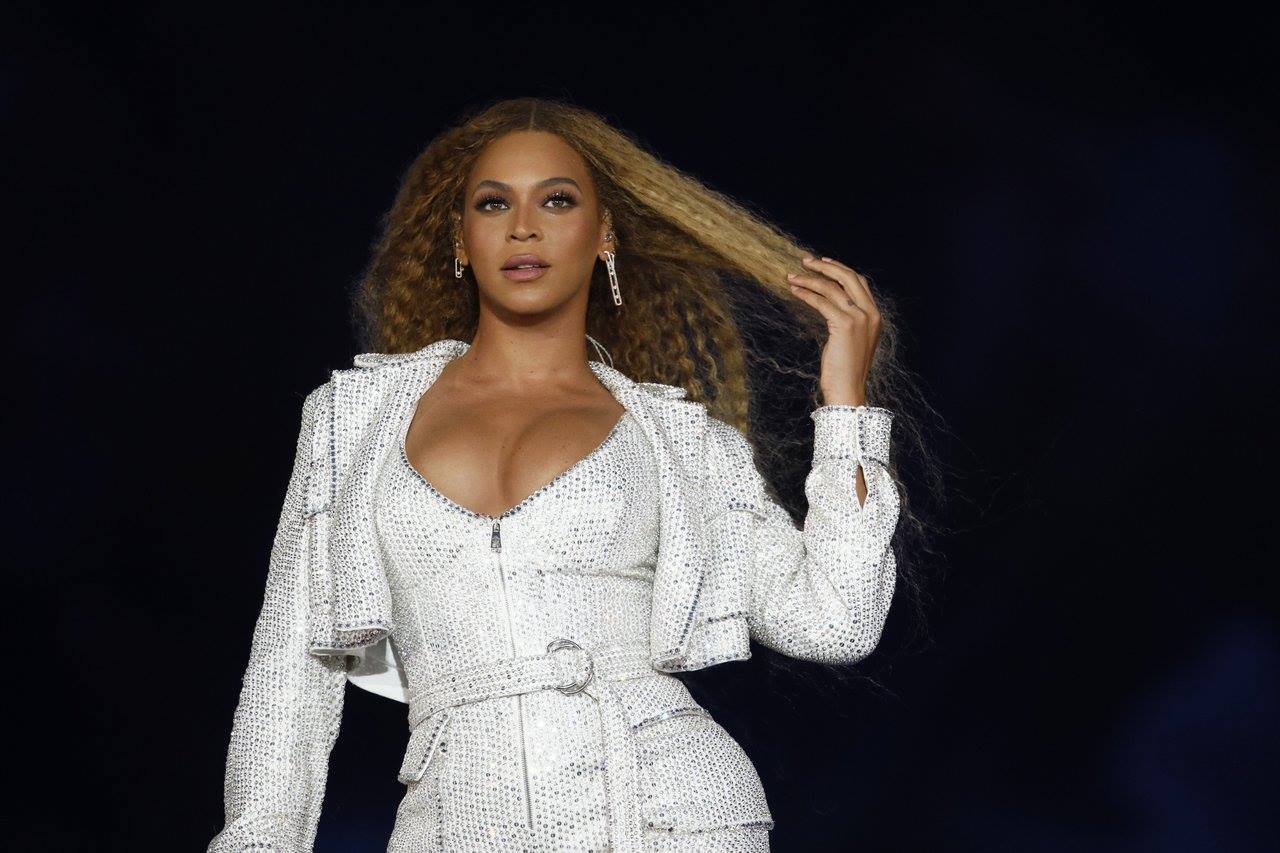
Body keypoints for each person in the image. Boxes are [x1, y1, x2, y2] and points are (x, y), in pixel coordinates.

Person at [208, 96, 919, 852]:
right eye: (493, 203)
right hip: (455, 821)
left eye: (556, 200)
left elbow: (833, 621)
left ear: (603, 233)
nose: (524, 227)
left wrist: (846, 409)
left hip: (666, 816)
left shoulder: (678, 442)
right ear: (460, 239)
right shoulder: (352, 421)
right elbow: (289, 677)